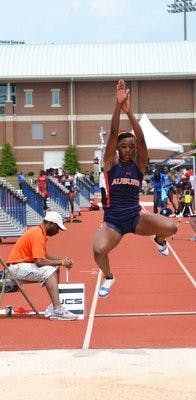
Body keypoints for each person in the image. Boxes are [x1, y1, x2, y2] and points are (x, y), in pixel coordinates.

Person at [93, 79, 177, 298]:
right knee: (98, 250)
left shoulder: (139, 166)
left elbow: (142, 140)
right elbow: (112, 133)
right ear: (118, 149)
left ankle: (159, 240)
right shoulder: (111, 165)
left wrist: (130, 114)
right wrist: (118, 105)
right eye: (123, 147)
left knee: (172, 228)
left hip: (136, 217)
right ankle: (109, 278)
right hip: (113, 222)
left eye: (131, 147)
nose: (128, 150)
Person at [6, 211, 77, 320]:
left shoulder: (39, 232)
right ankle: (57, 310)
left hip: (19, 266)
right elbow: (39, 262)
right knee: (48, 270)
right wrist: (62, 262)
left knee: (54, 267)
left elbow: (43, 255)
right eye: (57, 228)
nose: (58, 232)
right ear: (50, 223)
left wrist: (61, 261)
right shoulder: (37, 234)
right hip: (15, 268)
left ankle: (54, 306)